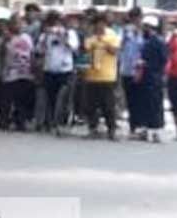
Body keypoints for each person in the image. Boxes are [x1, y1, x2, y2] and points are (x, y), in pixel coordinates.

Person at [37, 11, 78, 135]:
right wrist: (46, 36)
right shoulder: (45, 35)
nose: (55, 25)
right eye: (52, 22)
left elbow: (74, 48)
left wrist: (62, 36)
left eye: (57, 22)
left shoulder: (70, 33)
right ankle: (49, 122)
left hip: (65, 70)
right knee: (50, 97)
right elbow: (39, 50)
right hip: (49, 69)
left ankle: (61, 122)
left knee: (63, 97)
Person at [83, 12, 121, 140]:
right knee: (91, 105)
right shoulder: (91, 37)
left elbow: (115, 51)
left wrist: (103, 42)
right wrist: (93, 43)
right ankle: (92, 128)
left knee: (108, 105)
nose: (99, 26)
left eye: (102, 23)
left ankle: (111, 130)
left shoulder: (112, 35)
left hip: (107, 75)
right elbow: (85, 51)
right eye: (97, 24)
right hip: (92, 75)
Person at [138, 16, 169, 143]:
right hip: (146, 76)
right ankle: (145, 129)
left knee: (155, 104)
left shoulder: (158, 42)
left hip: (154, 77)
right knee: (145, 103)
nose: (143, 29)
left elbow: (163, 60)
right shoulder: (147, 41)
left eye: (145, 27)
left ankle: (156, 131)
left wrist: (148, 64)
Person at [2, 17, 36, 131]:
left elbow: (31, 53)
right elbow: (3, 54)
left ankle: (21, 122)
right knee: (9, 99)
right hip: (11, 72)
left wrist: (33, 69)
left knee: (22, 99)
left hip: (25, 72)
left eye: (20, 24)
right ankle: (6, 121)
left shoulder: (27, 38)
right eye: (16, 24)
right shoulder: (8, 38)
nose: (19, 26)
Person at [118, 7, 146, 139]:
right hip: (127, 70)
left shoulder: (145, 32)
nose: (138, 20)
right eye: (135, 18)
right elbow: (119, 46)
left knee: (141, 99)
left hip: (141, 70)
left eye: (139, 18)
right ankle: (133, 127)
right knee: (130, 99)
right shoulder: (124, 31)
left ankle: (141, 126)